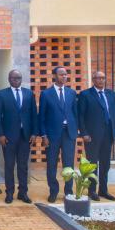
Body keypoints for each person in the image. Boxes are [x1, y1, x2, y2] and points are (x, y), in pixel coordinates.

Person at [0, 70, 38, 204]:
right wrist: (0, 134)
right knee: (9, 166)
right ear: (9, 79)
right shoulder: (2, 94)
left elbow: (34, 116)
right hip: (8, 137)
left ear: (21, 79)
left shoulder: (29, 94)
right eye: (13, 78)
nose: (16, 80)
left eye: (18, 78)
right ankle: (9, 193)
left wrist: (34, 133)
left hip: (25, 136)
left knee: (23, 166)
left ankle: (23, 193)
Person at [78, 71, 115, 201]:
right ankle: (92, 191)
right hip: (91, 136)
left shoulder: (111, 95)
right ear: (93, 80)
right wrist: (84, 133)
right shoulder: (85, 95)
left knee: (105, 163)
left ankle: (103, 190)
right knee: (92, 164)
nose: (101, 80)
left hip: (108, 135)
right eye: (98, 78)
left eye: (103, 78)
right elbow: (80, 116)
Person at [39, 66, 78, 203]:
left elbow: (75, 113)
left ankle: (68, 191)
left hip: (69, 134)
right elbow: (41, 117)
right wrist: (43, 135)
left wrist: (76, 129)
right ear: (54, 76)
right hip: (52, 135)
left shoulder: (72, 93)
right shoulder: (46, 94)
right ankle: (53, 191)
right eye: (61, 74)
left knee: (69, 165)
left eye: (66, 74)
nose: (64, 77)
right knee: (51, 164)